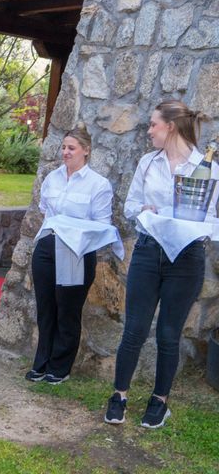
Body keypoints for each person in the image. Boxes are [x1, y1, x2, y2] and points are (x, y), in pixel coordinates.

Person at [104, 100, 219, 428]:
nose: (149, 131)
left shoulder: (207, 167)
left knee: (169, 333)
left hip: (187, 258)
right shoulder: (147, 162)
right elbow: (130, 206)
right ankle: (119, 396)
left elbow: (211, 217)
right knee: (134, 329)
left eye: (154, 124)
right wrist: (145, 211)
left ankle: (159, 401)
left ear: (170, 126)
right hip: (147, 252)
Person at [25, 123, 114, 385]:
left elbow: (102, 225)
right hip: (46, 247)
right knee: (45, 308)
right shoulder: (52, 178)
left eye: (71, 148)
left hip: (75, 251)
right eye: (63, 147)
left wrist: (73, 231)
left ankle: (60, 367)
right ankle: (41, 363)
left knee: (67, 310)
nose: (65, 152)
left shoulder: (98, 184)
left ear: (85, 151)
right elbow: (46, 211)